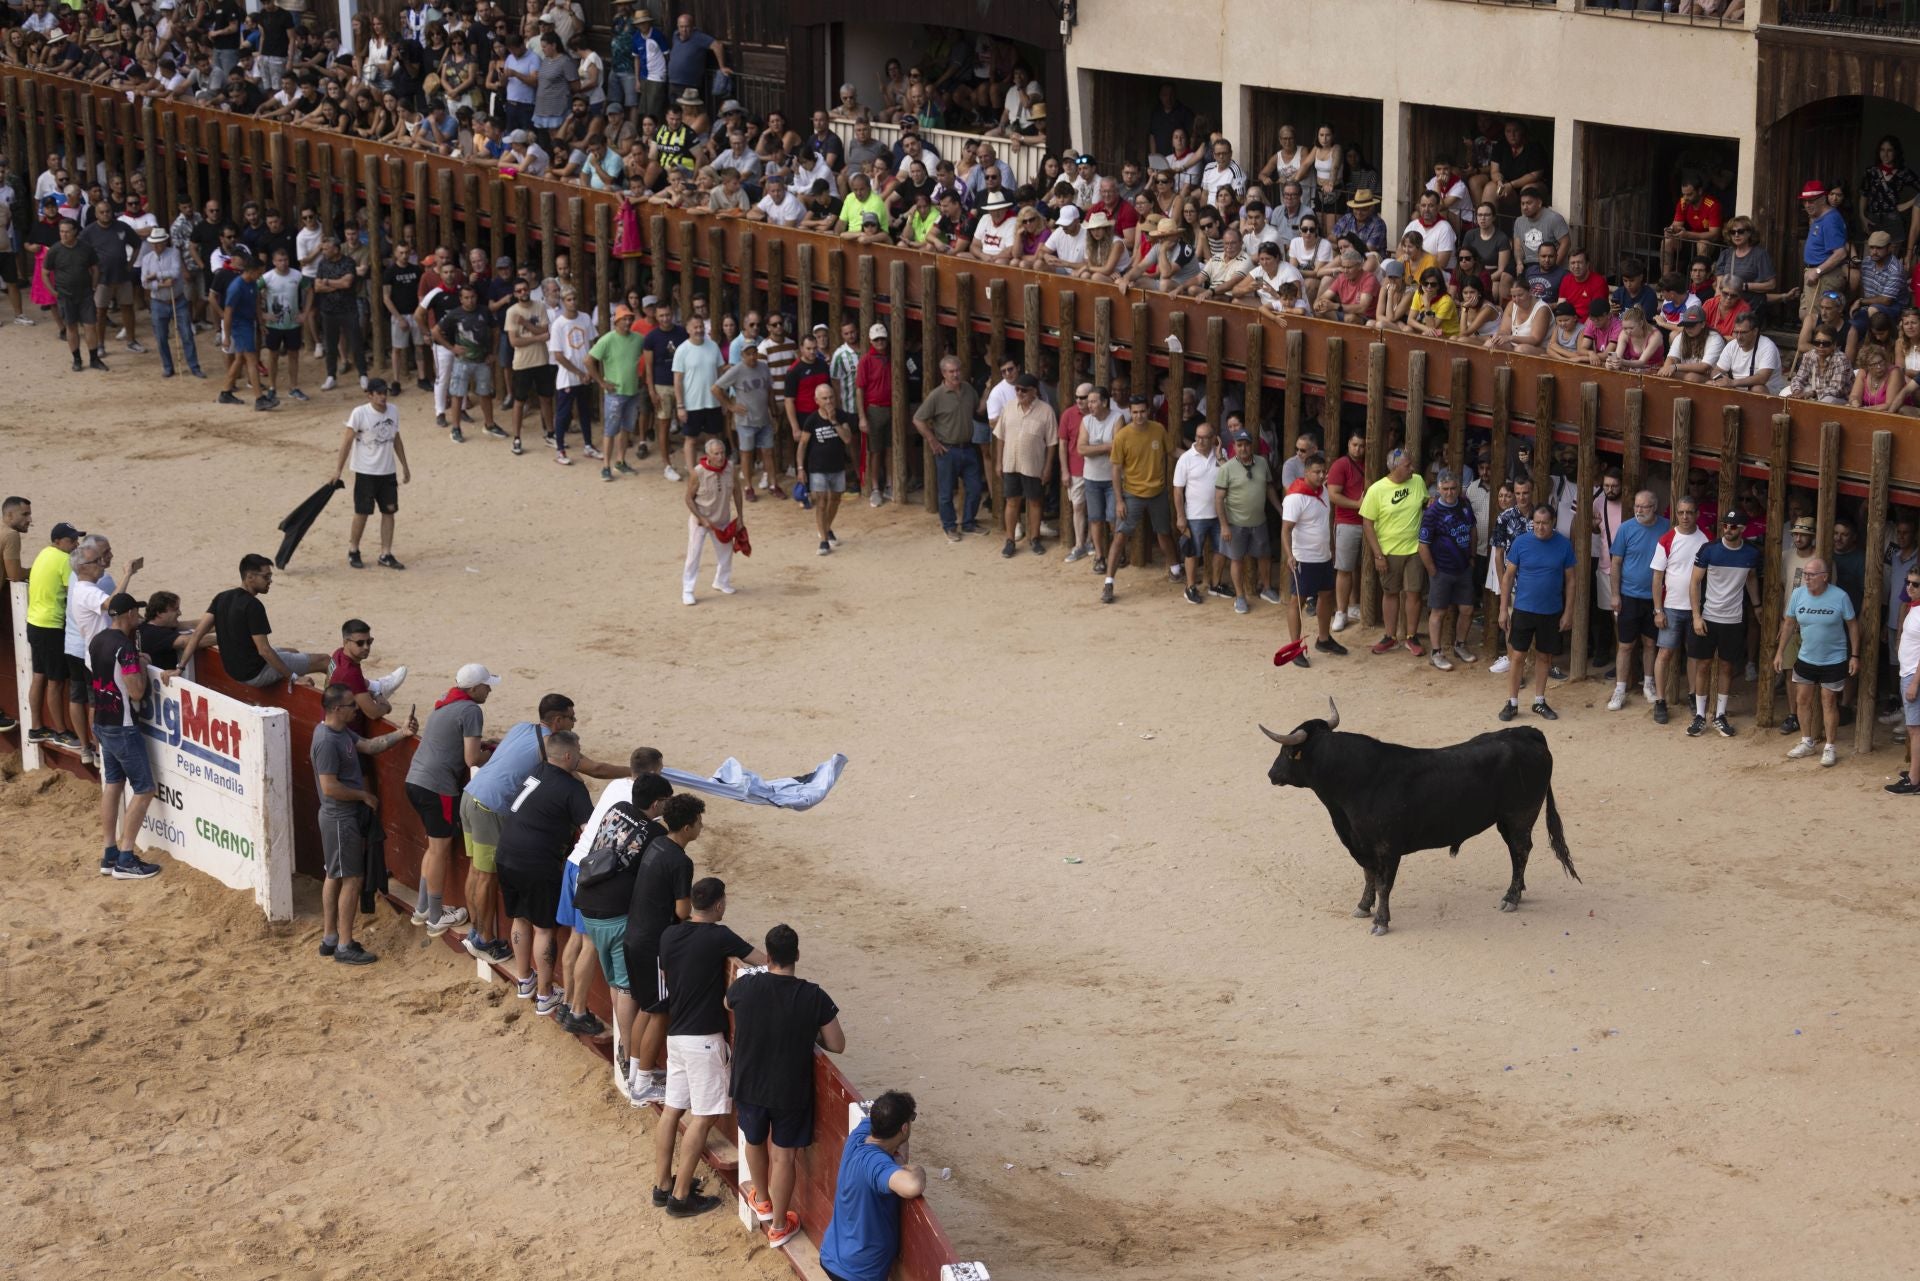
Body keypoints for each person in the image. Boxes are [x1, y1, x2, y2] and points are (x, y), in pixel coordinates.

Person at [653, 876, 764, 1218]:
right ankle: (681, 1196)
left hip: (676, 1036)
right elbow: (762, 962)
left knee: (672, 1109)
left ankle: (662, 1185)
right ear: (718, 905)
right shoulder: (719, 936)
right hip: (703, 1039)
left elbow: (665, 973)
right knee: (703, 1118)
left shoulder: (669, 934)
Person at [730, 923, 846, 1248]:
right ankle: (779, 1226)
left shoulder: (746, 986)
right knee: (783, 1157)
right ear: (797, 955)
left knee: (754, 1140)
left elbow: (727, 1003)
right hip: (789, 1089)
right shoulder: (813, 996)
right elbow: (837, 1044)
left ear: (767, 956)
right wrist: (808, 1029)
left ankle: (762, 1200)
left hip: (750, 1082)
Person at [573, 765, 674, 1090]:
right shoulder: (656, 835)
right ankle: (629, 1056)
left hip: (587, 904)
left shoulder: (617, 808)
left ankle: (624, 1048)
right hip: (616, 915)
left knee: (617, 984)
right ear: (657, 804)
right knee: (627, 987)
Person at [312, 683, 416, 965]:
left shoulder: (339, 732)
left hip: (338, 817)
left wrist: (401, 733)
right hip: (340, 817)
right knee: (351, 878)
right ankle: (344, 944)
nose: (356, 709)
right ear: (337, 709)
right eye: (351, 705)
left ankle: (330, 938)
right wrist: (363, 795)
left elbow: (369, 746)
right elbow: (329, 787)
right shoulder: (327, 741)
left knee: (334, 874)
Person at [494, 728, 595, 1012]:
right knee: (543, 928)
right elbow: (589, 832)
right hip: (537, 862)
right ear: (568, 756)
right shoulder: (573, 789)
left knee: (519, 918)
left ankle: (524, 979)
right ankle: (545, 994)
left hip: (506, 853)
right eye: (578, 753)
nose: (581, 757)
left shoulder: (536, 770)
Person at [404, 664, 498, 949]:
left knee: (433, 848)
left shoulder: (446, 702)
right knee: (439, 850)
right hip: (438, 787)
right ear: (474, 688)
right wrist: (496, 753)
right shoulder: (471, 710)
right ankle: (435, 916)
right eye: (486, 685)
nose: (489, 690)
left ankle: (423, 908)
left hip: (415, 780)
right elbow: (472, 759)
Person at [624, 791, 702, 1106]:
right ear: (687, 827)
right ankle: (642, 1085)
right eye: (698, 822)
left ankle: (634, 1074)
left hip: (634, 936)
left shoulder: (657, 843)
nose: (701, 827)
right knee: (660, 1012)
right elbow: (682, 911)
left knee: (647, 1007)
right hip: (653, 945)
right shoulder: (681, 861)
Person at [89, 593, 163, 880]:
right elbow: (136, 691)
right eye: (136, 612)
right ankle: (126, 858)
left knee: (113, 784)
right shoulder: (125, 648)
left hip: (103, 721)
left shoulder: (98, 640)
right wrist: (142, 665)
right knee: (144, 789)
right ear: (129, 613)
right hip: (123, 725)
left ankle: (109, 852)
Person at [818, 1090, 928, 1281]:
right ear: (904, 1128)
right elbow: (913, 1185)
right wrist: (917, 1169)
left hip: (833, 1254)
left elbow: (885, 1119)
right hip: (857, 1272)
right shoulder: (875, 1164)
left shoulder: (860, 1135)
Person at [173, 554, 327, 690]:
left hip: (234, 671)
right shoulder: (253, 606)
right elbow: (264, 650)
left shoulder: (222, 597)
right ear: (250, 577)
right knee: (326, 661)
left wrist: (180, 668)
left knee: (293, 651)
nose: (270, 581)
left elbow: (197, 634)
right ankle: (332, 700)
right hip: (256, 673)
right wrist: (294, 677)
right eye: (266, 577)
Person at [1687, 510, 1763, 738]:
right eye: (1725, 525)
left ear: (1743, 529)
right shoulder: (1709, 549)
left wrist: (1757, 605)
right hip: (1708, 616)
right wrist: (1696, 616)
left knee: (1727, 666)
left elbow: (1751, 578)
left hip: (1733, 619)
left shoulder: (1751, 553)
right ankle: (1699, 715)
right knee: (1703, 665)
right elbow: (1694, 582)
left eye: (1733, 526)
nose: (1728, 529)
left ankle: (1720, 714)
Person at [1775, 559, 1858, 768]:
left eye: (1812, 574)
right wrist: (1779, 652)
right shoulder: (1798, 595)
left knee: (1828, 702)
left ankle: (1830, 746)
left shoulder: (1840, 596)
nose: (1807, 578)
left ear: (1825, 576)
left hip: (1834, 659)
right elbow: (1789, 623)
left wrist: (1855, 655)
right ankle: (1807, 742)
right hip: (1806, 657)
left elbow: (1853, 625)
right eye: (1805, 574)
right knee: (1802, 700)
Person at [1499, 505, 1575, 722]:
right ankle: (1512, 702)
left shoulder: (1564, 545)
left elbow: (1571, 580)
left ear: (1553, 522)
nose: (1540, 527)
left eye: (1545, 523)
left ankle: (1539, 701)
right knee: (1517, 656)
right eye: (1537, 523)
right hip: (1523, 608)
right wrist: (1503, 609)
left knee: (1545, 656)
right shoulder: (1521, 542)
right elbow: (1508, 577)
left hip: (1551, 610)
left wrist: (1568, 612)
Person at [1106, 392, 1181, 603]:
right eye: (1135, 412)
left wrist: (1196, 454)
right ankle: (1109, 582)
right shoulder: (1122, 436)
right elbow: (1115, 469)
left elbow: (1173, 451)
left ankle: (1175, 569)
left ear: (1148, 411)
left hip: (1157, 492)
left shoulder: (1158, 429)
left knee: (1164, 532)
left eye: (1142, 411)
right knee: (1120, 536)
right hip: (1132, 494)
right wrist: (1119, 500)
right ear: (1130, 413)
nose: (1139, 416)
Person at [331, 379, 409, 570]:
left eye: (385, 393)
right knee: (362, 512)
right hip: (366, 472)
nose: (383, 397)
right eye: (379, 393)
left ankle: (386, 553)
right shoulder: (359, 413)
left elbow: (396, 439)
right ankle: (353, 550)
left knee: (389, 512)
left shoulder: (393, 411)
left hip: (387, 471)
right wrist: (338, 470)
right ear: (370, 395)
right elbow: (347, 442)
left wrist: (404, 466)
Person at [1360, 449, 1430, 657]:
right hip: (1389, 551)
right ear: (1394, 467)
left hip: (1414, 549)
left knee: (1414, 592)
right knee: (1390, 593)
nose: (1412, 468)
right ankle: (1390, 636)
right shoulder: (1376, 490)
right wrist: (1378, 555)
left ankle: (1411, 636)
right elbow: (1367, 524)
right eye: (1407, 466)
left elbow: (1426, 504)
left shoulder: (1418, 481)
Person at [1606, 491, 1671, 712]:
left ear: (1655, 507)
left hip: (1655, 597)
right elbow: (1616, 563)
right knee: (1625, 645)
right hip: (1629, 595)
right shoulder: (1626, 528)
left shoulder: (1666, 527)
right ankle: (1620, 689)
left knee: (1651, 643)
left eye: (1644, 506)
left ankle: (1649, 684)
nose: (1639, 510)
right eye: (1637, 506)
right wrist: (1615, 595)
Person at [1281, 450, 1344, 660]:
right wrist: (1290, 555)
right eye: (1317, 472)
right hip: (1304, 557)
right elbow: (1286, 530)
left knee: (1326, 594)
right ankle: (1294, 647)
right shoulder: (1295, 497)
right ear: (1306, 472)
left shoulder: (1323, 491)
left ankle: (1324, 639)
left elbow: (1324, 522)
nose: (1321, 475)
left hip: (1323, 555)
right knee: (1297, 601)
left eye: (1323, 471)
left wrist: (1331, 548)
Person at [25, 522, 82, 748]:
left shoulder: (44, 553)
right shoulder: (64, 560)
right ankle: (60, 731)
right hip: (51, 626)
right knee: (56, 681)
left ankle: (37, 727)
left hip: (34, 622)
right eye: (71, 540)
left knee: (39, 675)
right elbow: (74, 593)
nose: (76, 544)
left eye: (76, 539)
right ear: (57, 541)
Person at [915, 355, 983, 542]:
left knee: (975, 488)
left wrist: (987, 392)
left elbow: (978, 409)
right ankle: (950, 526)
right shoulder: (936, 395)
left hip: (968, 447)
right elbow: (918, 419)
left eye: (958, 370)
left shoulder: (968, 389)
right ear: (943, 373)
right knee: (946, 493)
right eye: (951, 371)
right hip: (947, 450)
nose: (956, 374)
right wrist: (932, 441)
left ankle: (968, 522)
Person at [1215, 429, 1280, 615]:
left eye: (1246, 444)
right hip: (1235, 523)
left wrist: (1279, 509)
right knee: (1236, 559)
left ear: (1252, 446)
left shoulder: (1262, 463)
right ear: (1234, 447)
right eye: (1239, 445)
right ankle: (1240, 596)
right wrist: (1224, 526)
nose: (1243, 448)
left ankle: (1266, 588)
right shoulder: (1226, 468)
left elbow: (1269, 488)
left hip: (1259, 521)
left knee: (1265, 555)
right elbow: (1218, 498)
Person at [1418, 468, 1477, 671]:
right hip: (1442, 570)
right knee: (1439, 611)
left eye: (1453, 488)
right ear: (1439, 489)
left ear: (1458, 488)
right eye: (1445, 489)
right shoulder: (1432, 513)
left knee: (1467, 609)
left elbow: (1472, 529)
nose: (1450, 493)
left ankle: (1460, 645)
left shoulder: (1465, 504)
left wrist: (1472, 557)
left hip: (1463, 568)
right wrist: (1432, 570)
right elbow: (1423, 545)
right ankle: (1436, 652)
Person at [994, 374, 1058, 562]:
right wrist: (998, 462)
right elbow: (1000, 437)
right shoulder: (1008, 408)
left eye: (1024, 390)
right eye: (1017, 389)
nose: (1019, 393)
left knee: (1035, 502)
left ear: (1034, 391)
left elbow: (1052, 443)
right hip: (1011, 463)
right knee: (1011, 502)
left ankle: (1035, 538)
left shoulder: (1046, 411)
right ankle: (1010, 540)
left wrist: (1048, 467)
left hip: (1034, 465)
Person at [587, 304, 647, 481]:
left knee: (627, 427)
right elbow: (588, 360)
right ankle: (606, 466)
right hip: (615, 393)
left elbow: (646, 358)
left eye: (630, 319)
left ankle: (620, 461)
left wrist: (642, 376)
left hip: (633, 391)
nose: (628, 322)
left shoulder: (638, 339)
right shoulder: (607, 339)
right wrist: (601, 382)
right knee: (610, 430)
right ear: (616, 321)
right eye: (624, 319)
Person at [682, 435, 743, 605]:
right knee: (694, 555)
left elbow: (737, 492)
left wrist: (740, 517)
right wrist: (701, 518)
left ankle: (721, 581)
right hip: (700, 520)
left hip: (721, 519)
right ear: (708, 455)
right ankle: (687, 590)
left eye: (722, 453)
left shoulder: (730, 468)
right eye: (716, 454)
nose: (720, 457)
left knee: (726, 553)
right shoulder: (698, 473)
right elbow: (688, 498)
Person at [798, 380, 856, 555]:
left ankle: (826, 527)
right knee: (821, 502)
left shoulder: (841, 416)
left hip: (837, 466)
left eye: (831, 397)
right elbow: (802, 445)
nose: (829, 401)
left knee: (835, 500)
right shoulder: (812, 420)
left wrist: (834, 421)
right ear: (817, 401)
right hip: (817, 467)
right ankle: (823, 541)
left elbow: (847, 439)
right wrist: (800, 468)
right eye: (824, 398)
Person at [1173, 422, 1224, 606]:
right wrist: (1180, 516)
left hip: (1219, 514)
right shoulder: (1186, 458)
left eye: (1205, 437)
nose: (1200, 441)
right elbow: (1178, 491)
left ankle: (1215, 585)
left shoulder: (1220, 456)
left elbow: (1231, 476)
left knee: (1221, 550)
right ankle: (1190, 587)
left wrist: (1220, 456)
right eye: (1198, 437)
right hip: (1195, 515)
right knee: (1192, 552)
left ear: (1214, 438)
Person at [1325, 430, 1367, 630]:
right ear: (1348, 444)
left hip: (1369, 523)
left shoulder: (1370, 462)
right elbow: (1333, 494)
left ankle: (1354, 605)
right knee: (1344, 568)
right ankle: (1341, 612)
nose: (1358, 449)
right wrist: (1357, 504)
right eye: (1355, 445)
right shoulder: (1341, 464)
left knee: (1360, 568)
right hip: (1347, 522)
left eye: (1362, 445)